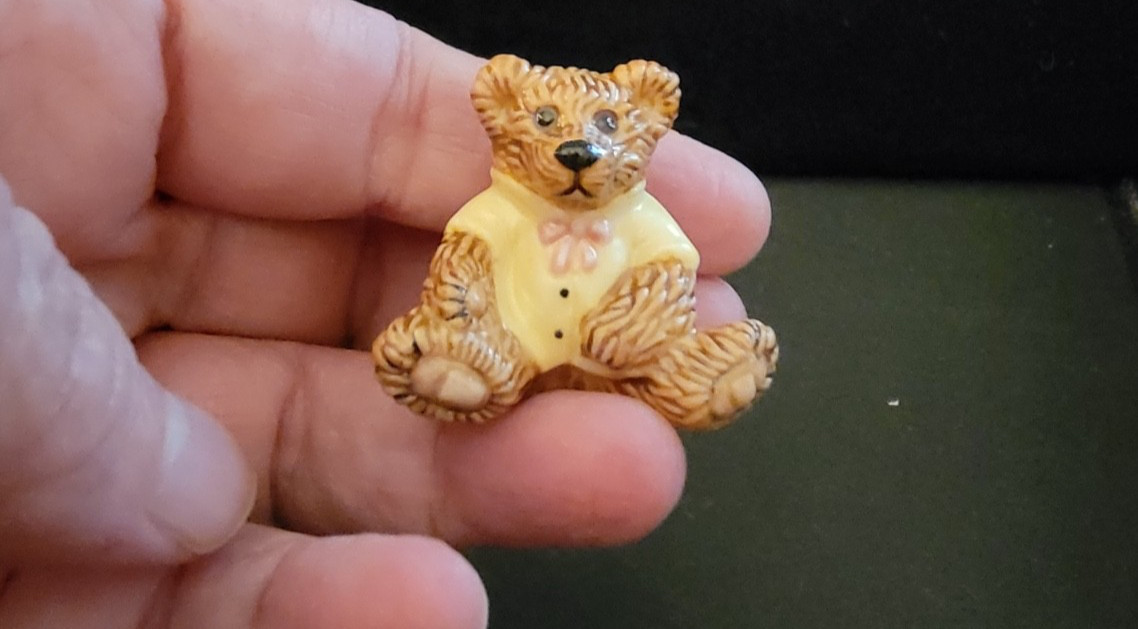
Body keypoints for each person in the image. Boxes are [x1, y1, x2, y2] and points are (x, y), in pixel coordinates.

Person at [0, 0, 771, 626]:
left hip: (620, 350)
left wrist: (642, 313)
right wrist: (463, 313)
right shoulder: (497, 214)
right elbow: (461, 272)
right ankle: (463, 367)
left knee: (664, 338)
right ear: (505, 118)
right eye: (546, 123)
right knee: (467, 331)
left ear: (649, 121)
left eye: (604, 127)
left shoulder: (642, 222)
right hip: (518, 341)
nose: (578, 147)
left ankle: (700, 369)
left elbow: (668, 271)